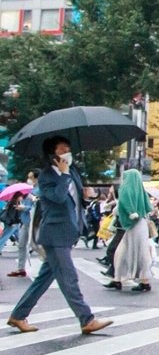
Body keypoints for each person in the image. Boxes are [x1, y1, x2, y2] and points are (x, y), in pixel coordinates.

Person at [5, 136, 113, 335]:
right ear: (52, 154)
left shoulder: (73, 172)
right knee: (68, 277)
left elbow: (75, 201)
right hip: (54, 234)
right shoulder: (46, 176)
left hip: (68, 232)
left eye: (68, 149)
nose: (67, 153)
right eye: (62, 149)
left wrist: (87, 196)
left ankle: (18, 315)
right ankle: (86, 319)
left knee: (44, 279)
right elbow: (58, 197)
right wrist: (63, 176)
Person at [108, 169, 154, 293]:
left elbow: (123, 204)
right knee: (133, 251)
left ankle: (122, 278)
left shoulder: (125, 189)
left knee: (126, 251)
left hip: (132, 224)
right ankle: (120, 278)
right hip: (141, 223)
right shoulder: (141, 190)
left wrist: (129, 212)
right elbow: (149, 207)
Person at [8, 171, 38, 278]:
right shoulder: (28, 191)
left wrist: (24, 208)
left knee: (36, 246)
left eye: (31, 177)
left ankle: (49, 268)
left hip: (34, 223)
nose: (28, 179)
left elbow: (38, 208)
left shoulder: (39, 191)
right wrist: (21, 203)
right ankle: (21, 269)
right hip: (25, 222)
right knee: (21, 245)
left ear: (36, 178)